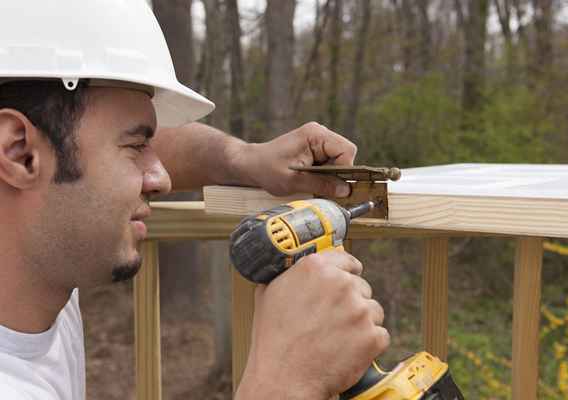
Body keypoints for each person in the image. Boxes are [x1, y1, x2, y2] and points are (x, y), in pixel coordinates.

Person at [0, 1, 389, 399]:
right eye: (135, 146)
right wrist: (287, 379)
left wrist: (243, 159)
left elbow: (92, 151)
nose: (162, 176)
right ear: (20, 153)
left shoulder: (31, 245)